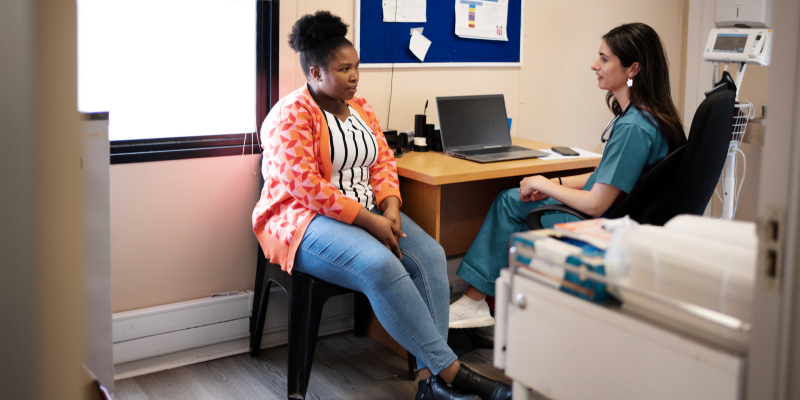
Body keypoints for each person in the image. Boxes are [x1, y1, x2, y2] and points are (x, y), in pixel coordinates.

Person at [252, 11, 511, 400]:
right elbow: (306, 188)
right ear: (314, 72)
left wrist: (390, 207)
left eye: (356, 67)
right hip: (304, 220)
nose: (355, 76)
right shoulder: (289, 115)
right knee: (379, 264)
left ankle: (429, 381)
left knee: (430, 255)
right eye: (344, 69)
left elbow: (383, 161)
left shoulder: (362, 108)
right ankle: (454, 373)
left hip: (371, 211)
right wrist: (370, 221)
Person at [449, 23, 687, 334]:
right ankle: (484, 303)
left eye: (604, 59)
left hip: (598, 224)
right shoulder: (648, 115)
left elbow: (597, 204)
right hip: (620, 215)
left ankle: (477, 302)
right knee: (517, 198)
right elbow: (607, 177)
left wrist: (544, 184)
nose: (594, 65)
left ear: (633, 68)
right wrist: (553, 183)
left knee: (509, 203)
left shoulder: (633, 128)